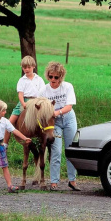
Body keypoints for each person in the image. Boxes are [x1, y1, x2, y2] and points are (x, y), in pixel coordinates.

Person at [40, 61, 80, 191]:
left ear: (61, 77)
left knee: (71, 150)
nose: (53, 80)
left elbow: (69, 106)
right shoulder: (44, 90)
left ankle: (72, 180)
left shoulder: (67, 87)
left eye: (56, 77)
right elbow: (40, 107)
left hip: (68, 119)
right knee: (56, 151)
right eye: (50, 76)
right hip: (53, 122)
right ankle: (54, 182)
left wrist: (57, 112)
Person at [0, 99, 32, 194]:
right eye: (3, 110)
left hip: (0, 145)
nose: (5, 112)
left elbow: (14, 130)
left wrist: (24, 138)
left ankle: (10, 186)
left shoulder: (5, 121)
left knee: (5, 166)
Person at [7, 56, 45, 142]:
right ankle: (5, 144)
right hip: (24, 101)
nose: (27, 69)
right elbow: (20, 94)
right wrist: (23, 104)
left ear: (33, 67)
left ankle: (47, 139)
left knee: (46, 119)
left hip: (36, 101)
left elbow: (42, 93)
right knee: (9, 123)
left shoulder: (39, 79)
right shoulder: (22, 80)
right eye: (24, 67)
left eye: (29, 67)